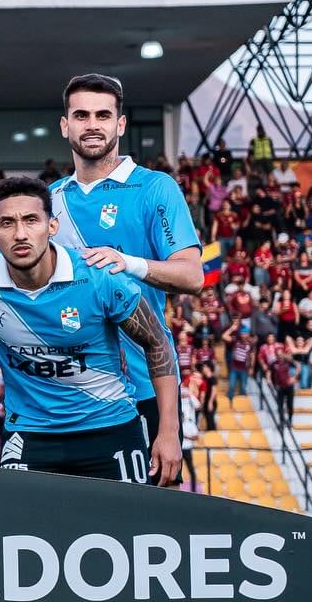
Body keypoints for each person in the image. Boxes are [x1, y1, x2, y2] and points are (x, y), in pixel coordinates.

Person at [0, 177, 181, 485]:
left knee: (127, 530)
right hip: (31, 435)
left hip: (110, 428)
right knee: (23, 533)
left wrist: (168, 432)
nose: (20, 233)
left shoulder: (98, 276)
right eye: (7, 223)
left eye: (31, 220)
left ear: (52, 226)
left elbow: (157, 343)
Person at [47, 73, 202, 447]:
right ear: (66, 126)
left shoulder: (155, 187)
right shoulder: (48, 200)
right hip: (69, 396)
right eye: (81, 116)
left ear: (120, 124)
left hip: (143, 385)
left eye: (103, 115)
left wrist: (126, 262)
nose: (92, 125)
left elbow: (192, 276)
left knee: (151, 505)